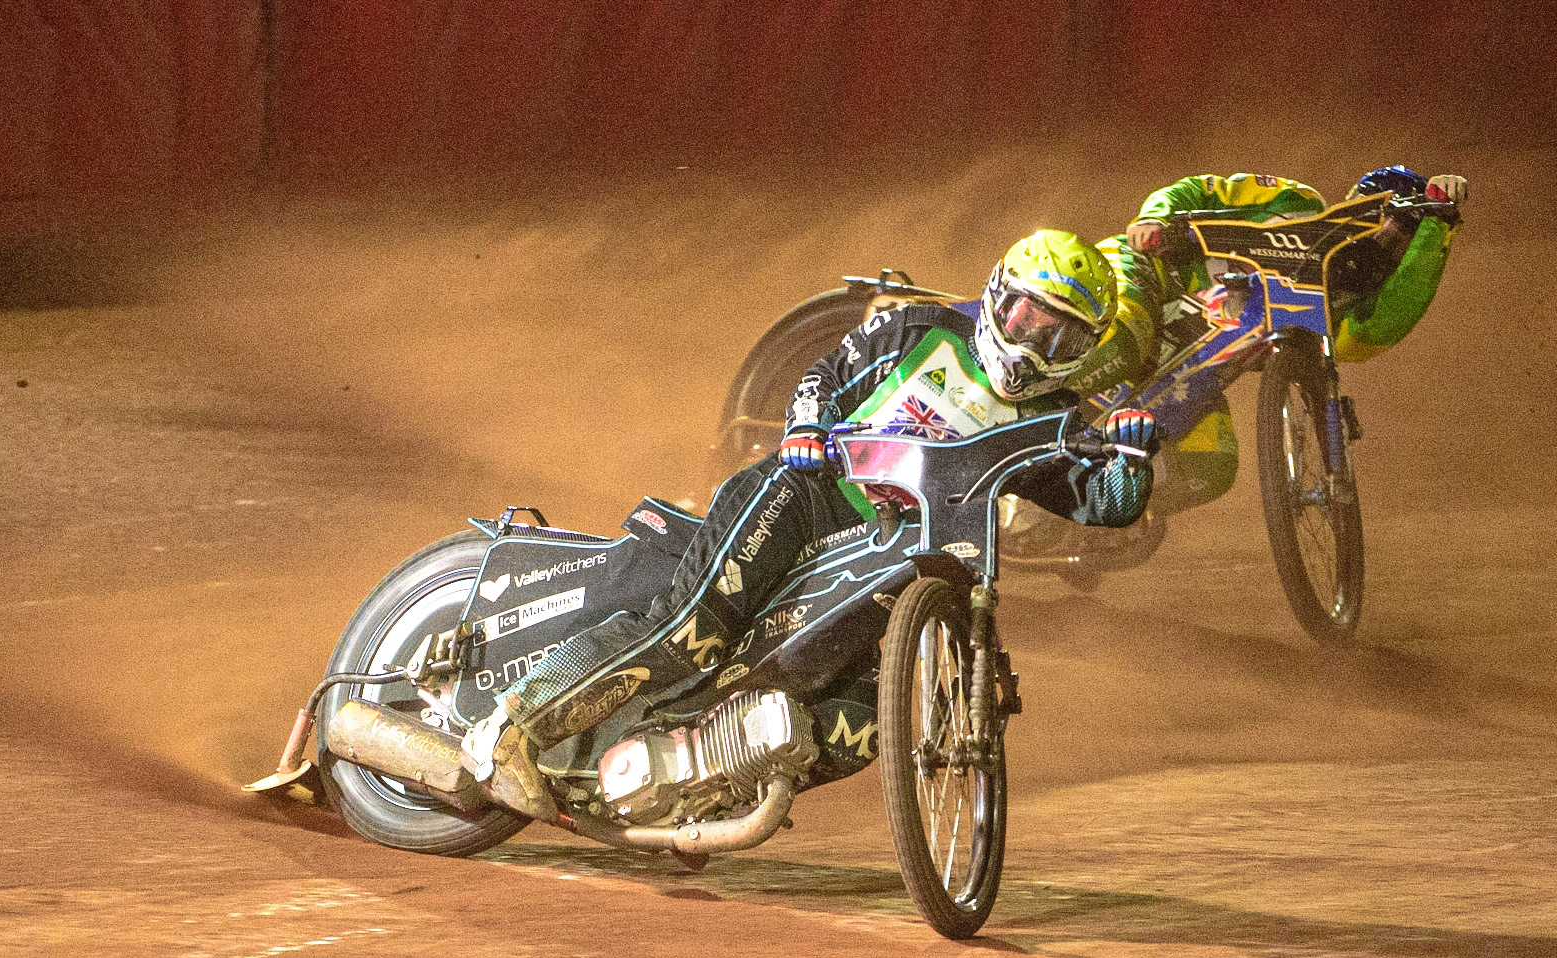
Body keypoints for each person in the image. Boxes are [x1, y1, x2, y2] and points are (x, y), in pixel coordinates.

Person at [463, 230, 1159, 815]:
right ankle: (510, 728)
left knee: (861, 728)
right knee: (690, 632)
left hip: (895, 565)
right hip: (805, 499)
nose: (1034, 346)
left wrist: (1130, 453)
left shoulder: (1052, 419)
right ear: (995, 294)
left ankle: (693, 781)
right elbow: (821, 375)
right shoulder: (920, 329)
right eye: (1024, 318)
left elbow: (1105, 503)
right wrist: (804, 428)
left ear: (1084, 349)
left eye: (1061, 337)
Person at [1068, 166, 1467, 515]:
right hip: (1143, 275)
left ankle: (1091, 513)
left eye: (1403, 247)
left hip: (1183, 376)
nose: (1388, 247)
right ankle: (1016, 403)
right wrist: (1155, 218)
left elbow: (1379, 328)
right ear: (1362, 207)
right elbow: (1205, 189)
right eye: (1389, 227)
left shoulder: (1329, 312)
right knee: (1123, 350)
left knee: (1212, 470)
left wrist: (1437, 228)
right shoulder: (1299, 201)